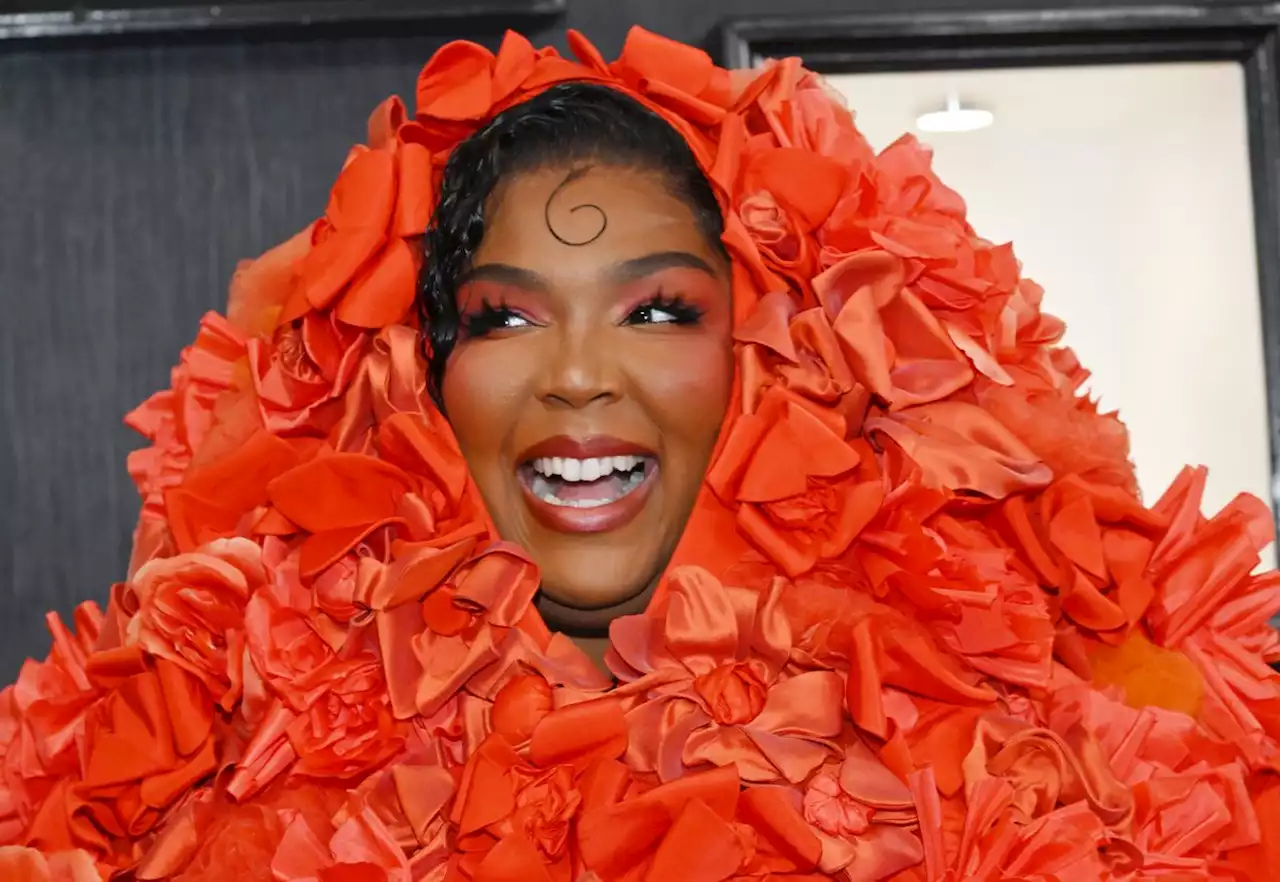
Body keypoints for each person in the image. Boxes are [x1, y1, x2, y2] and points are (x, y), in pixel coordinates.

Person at [0, 26, 1277, 882]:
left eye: (657, 309)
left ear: (773, 356)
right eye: (503, 317)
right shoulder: (230, 785)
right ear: (418, 376)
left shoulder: (1015, 777)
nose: (574, 372)